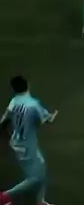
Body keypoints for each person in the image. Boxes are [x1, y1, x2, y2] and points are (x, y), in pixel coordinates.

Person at [0, 75, 58, 205]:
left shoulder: (14, 101)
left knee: (41, 168)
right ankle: (4, 197)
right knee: (36, 177)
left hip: (16, 142)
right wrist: (53, 115)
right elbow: (47, 119)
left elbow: (4, 120)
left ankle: (40, 201)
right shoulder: (33, 104)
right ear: (27, 85)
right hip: (27, 145)